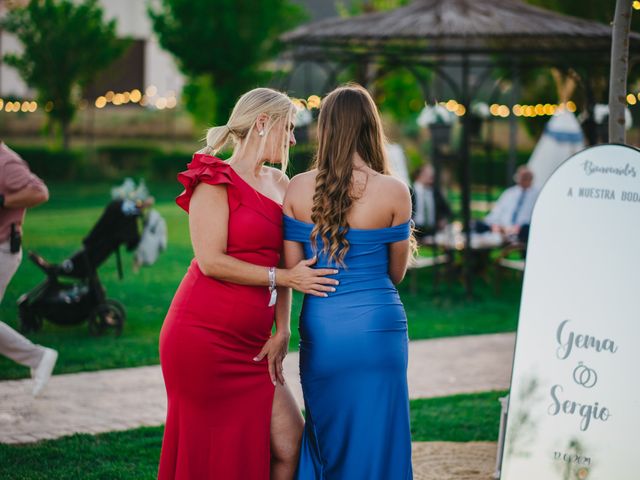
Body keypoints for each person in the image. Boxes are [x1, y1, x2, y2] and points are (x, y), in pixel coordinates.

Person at [158, 88, 339, 480]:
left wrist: (284, 328)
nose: (292, 139)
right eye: (288, 128)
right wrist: (284, 278)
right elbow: (211, 261)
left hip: (255, 346)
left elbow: (284, 258)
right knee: (213, 452)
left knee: (289, 444)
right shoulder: (214, 180)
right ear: (262, 123)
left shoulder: (280, 182)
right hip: (201, 337)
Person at [283, 84, 414, 479]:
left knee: (329, 431)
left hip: (325, 328)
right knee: (381, 433)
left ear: (326, 129)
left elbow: (296, 271)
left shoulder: (299, 187)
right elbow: (396, 273)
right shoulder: (394, 191)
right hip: (379, 328)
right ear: (371, 128)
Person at [0, 141, 57, 397]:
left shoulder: (6, 162)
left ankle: (38, 356)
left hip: (3, 249)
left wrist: (2, 200)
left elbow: (39, 192)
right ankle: (37, 357)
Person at [480, 165, 539, 243]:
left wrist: (518, 228)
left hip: (522, 231)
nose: (523, 180)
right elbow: (497, 211)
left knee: (526, 230)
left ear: (531, 178)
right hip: (502, 229)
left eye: (526, 177)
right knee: (478, 225)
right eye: (521, 177)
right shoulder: (509, 193)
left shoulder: (537, 195)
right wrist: (495, 226)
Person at [411, 163, 452, 239]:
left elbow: (447, 210)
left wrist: (443, 219)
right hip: (414, 230)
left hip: (432, 231)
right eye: (427, 173)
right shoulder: (410, 191)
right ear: (420, 174)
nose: (431, 176)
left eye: (432, 174)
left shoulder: (435, 192)